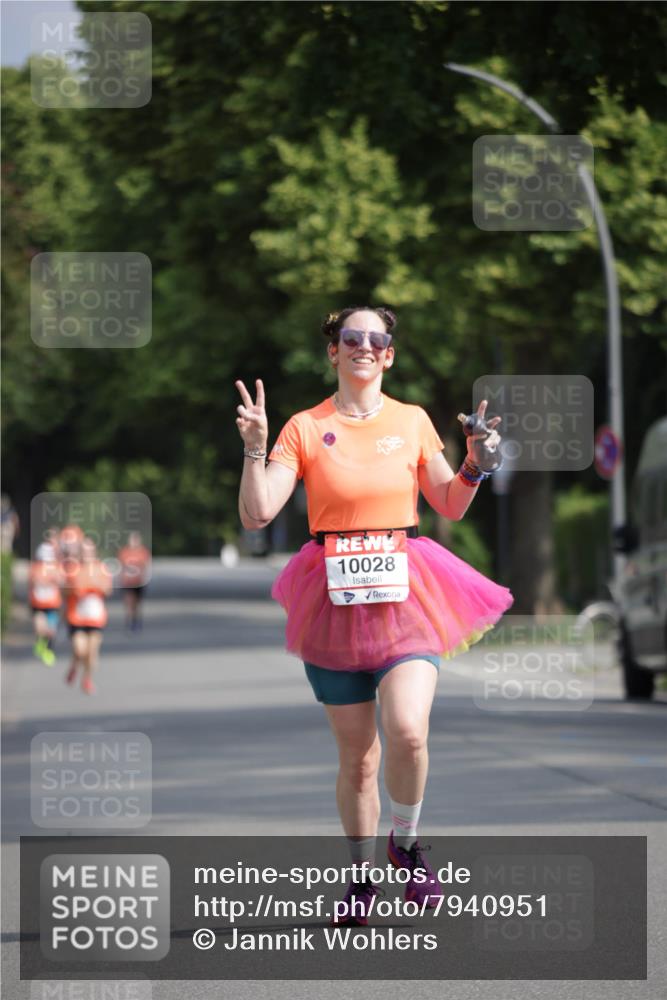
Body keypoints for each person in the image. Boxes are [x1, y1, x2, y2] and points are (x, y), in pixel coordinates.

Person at [235, 306, 514, 926]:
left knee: (409, 730)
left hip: (407, 594)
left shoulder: (412, 421)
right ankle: (361, 880)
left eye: (376, 339)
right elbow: (257, 514)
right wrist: (255, 451)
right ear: (333, 351)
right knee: (359, 757)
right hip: (330, 600)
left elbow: (450, 502)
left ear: (388, 354)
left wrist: (476, 462)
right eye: (351, 338)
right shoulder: (304, 427)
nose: (364, 347)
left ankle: (407, 846)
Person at [62, 537, 112, 695]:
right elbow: (63, 592)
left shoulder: (101, 569)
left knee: (91, 652)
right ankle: (74, 666)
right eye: (83, 551)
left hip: (96, 617)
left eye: (89, 551)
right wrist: (73, 590)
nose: (86, 554)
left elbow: (108, 590)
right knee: (79, 650)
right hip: (76, 616)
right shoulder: (72, 569)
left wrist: (97, 586)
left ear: (94, 552)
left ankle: (87, 679)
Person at [28, 542, 63, 666]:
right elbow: (33, 581)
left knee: (51, 631)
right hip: (38, 604)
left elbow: (61, 581)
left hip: (52, 605)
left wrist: (53, 579)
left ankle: (48, 651)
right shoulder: (34, 567)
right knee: (39, 628)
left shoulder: (56, 567)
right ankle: (40, 643)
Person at [118, 531, 151, 630]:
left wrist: (146, 578)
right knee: (128, 601)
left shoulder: (143, 552)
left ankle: (136, 619)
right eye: (132, 539)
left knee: (137, 602)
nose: (133, 542)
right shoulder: (124, 552)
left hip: (139, 582)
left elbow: (146, 566)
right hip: (127, 582)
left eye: (135, 540)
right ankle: (129, 620)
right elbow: (121, 567)